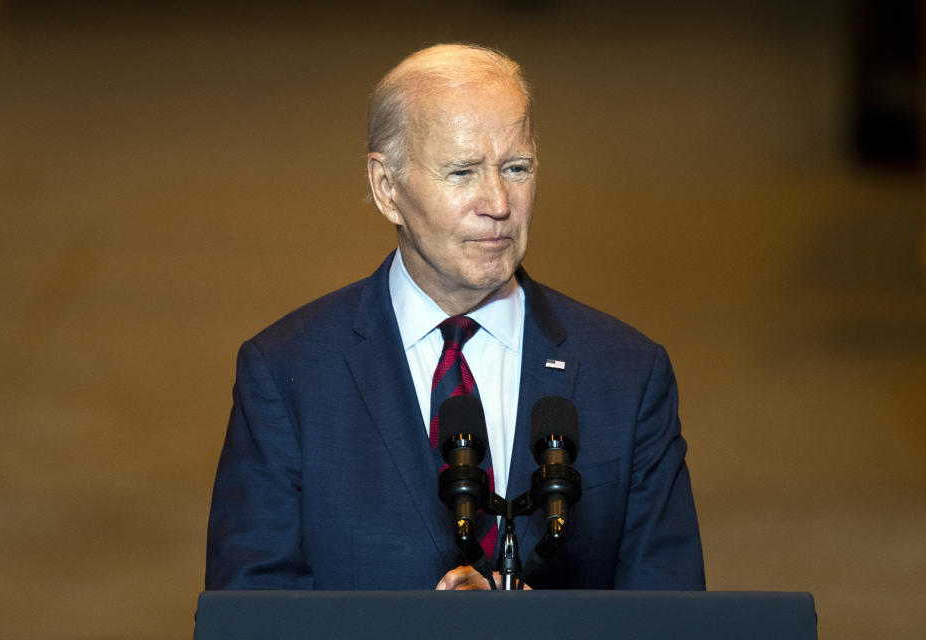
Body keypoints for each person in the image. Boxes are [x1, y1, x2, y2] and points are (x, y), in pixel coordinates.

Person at [205, 43, 705, 591]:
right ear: (386, 188)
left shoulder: (629, 374)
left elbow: (671, 610)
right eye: (463, 172)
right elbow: (253, 612)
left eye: (516, 168)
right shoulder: (285, 374)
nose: (497, 202)